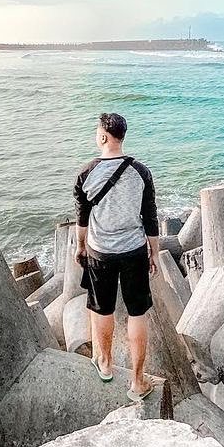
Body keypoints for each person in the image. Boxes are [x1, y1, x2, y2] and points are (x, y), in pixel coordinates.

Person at [73, 112, 159, 401]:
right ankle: (137, 382)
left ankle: (106, 364)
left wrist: (80, 247)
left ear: (103, 136)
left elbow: (82, 217)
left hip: (101, 252)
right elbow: (150, 217)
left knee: (102, 309)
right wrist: (155, 253)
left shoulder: (85, 173)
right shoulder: (142, 172)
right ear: (122, 136)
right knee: (137, 313)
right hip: (134, 251)